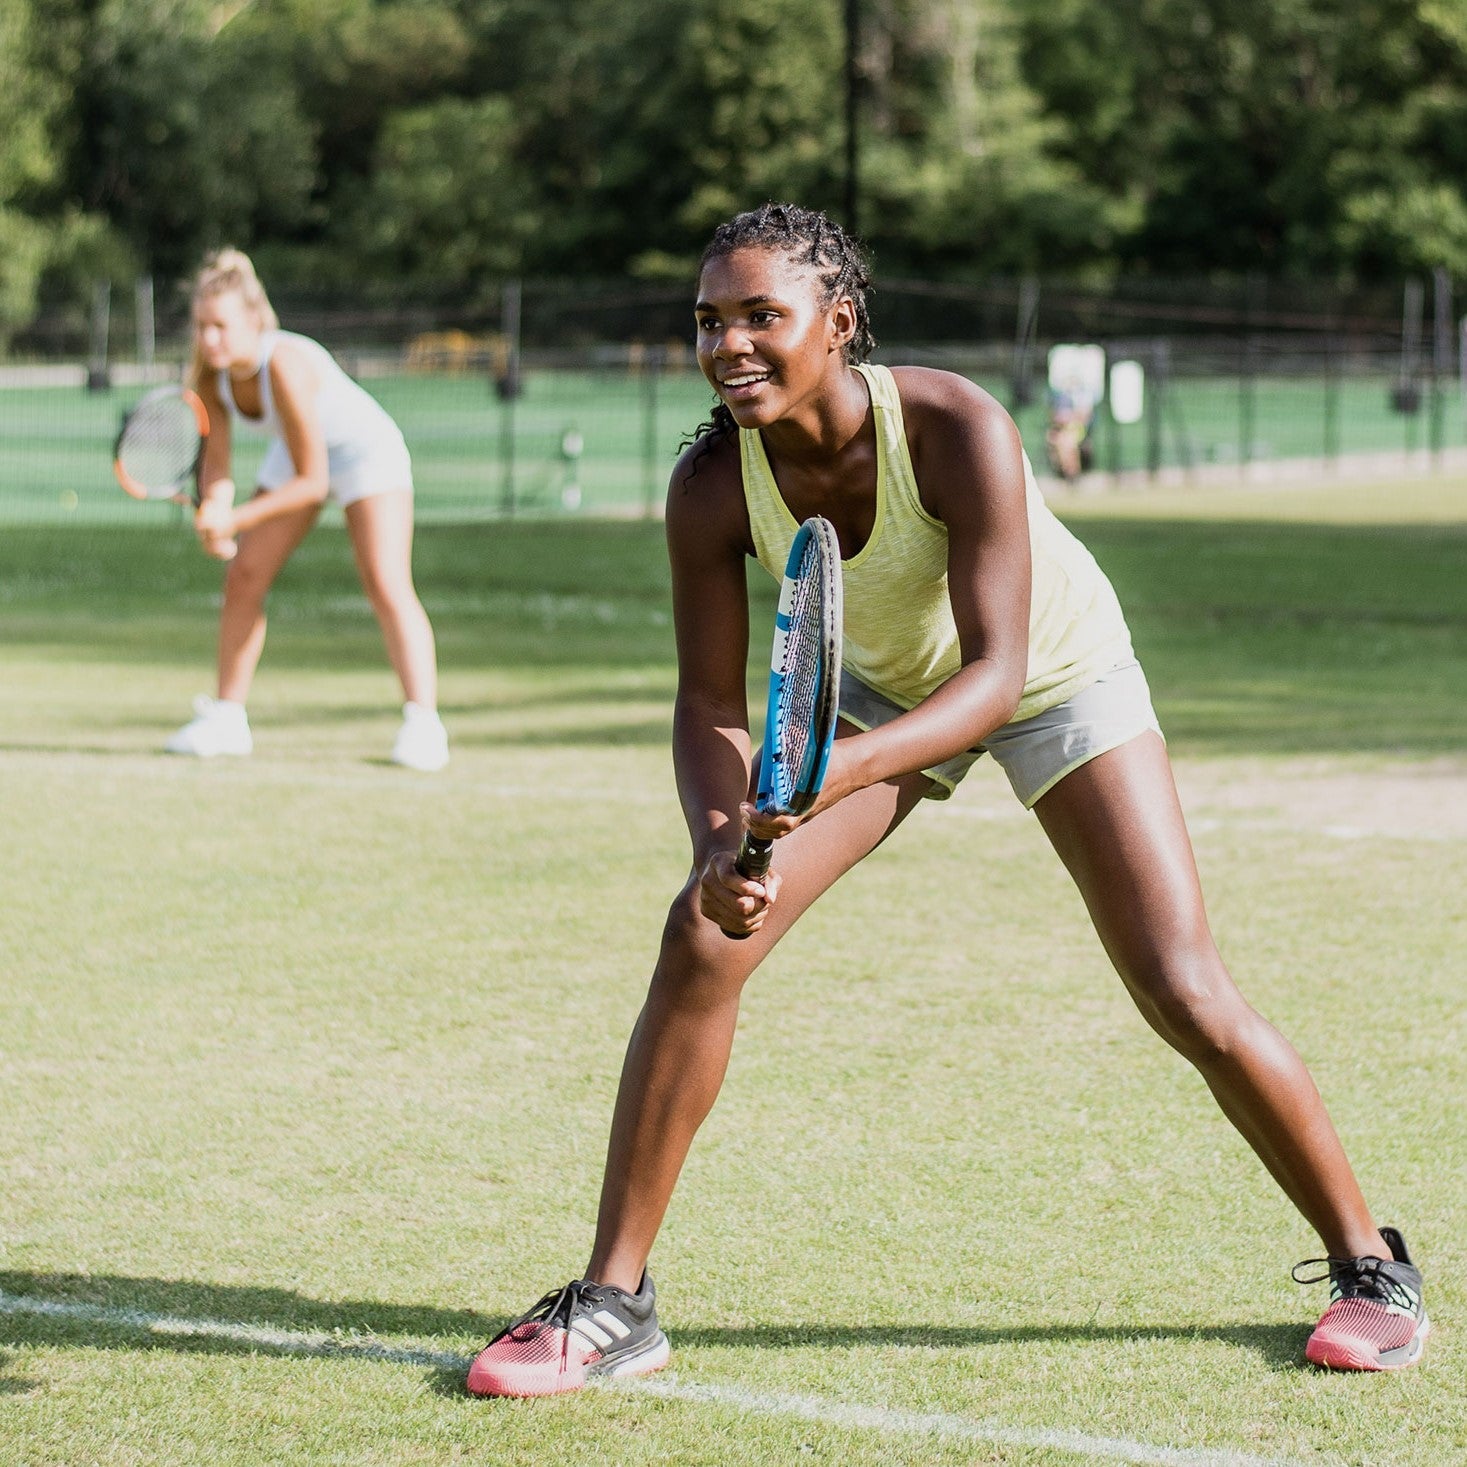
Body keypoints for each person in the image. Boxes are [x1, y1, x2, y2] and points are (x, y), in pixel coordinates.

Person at [465, 204, 1427, 1397]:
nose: (729, 346)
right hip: (877, 685)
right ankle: (615, 1303)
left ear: (840, 322)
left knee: (1181, 986)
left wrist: (836, 769)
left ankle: (1372, 1265)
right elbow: (707, 700)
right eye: (709, 321)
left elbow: (997, 676)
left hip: (1048, 672)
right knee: (703, 938)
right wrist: (720, 846)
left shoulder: (957, 425)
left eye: (762, 316)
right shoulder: (712, 484)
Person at [164, 248, 449, 772]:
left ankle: (424, 726)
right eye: (201, 326)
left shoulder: (285, 365)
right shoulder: (209, 376)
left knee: (385, 581)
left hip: (365, 451)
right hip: (295, 454)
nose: (209, 338)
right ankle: (227, 719)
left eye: (221, 326)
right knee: (243, 575)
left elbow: (312, 483)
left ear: (254, 320)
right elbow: (217, 464)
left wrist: (235, 520)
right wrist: (217, 511)